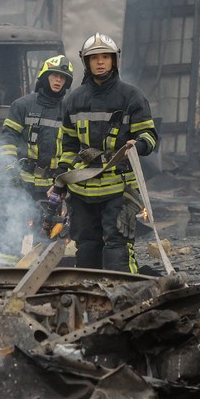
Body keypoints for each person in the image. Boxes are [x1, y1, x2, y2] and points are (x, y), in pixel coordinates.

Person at [54, 33, 159, 272]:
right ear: (86, 63)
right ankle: (90, 300)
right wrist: (61, 179)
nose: (100, 62)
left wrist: (138, 145)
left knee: (117, 247)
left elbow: (150, 136)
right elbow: (68, 145)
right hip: (82, 189)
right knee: (87, 247)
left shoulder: (132, 96)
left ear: (114, 61)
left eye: (105, 57)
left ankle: (123, 297)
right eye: (94, 58)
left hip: (119, 188)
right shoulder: (74, 100)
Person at [1, 55, 74, 228]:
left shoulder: (69, 111)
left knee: (51, 233)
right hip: (23, 183)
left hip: (54, 186)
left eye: (63, 77)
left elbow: (74, 147)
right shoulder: (22, 106)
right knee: (15, 231)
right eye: (54, 75)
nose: (58, 80)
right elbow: (7, 139)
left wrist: (64, 181)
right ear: (44, 76)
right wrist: (11, 169)